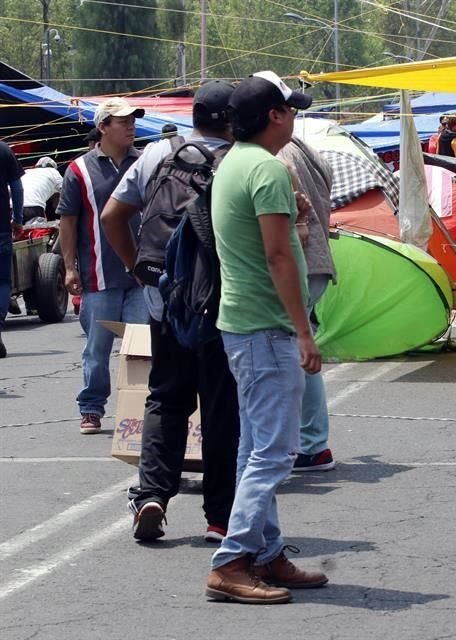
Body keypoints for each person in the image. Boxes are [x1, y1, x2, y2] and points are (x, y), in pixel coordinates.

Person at [100, 80, 240, 543]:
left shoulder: (160, 154)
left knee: (166, 394)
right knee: (222, 406)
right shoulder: (244, 161)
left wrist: (136, 268)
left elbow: (111, 217)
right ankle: (220, 518)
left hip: (166, 295)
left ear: (195, 116)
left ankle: (152, 495)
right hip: (222, 300)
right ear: (233, 119)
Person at [205, 71, 326, 605]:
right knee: (275, 452)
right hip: (266, 324)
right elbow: (279, 257)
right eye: (289, 110)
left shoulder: (234, 163)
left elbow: (270, 245)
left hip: (244, 322)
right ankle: (231, 560)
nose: (294, 117)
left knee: (256, 449)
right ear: (274, 116)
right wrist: (304, 331)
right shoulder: (267, 169)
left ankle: (266, 552)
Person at [57, 98, 149, 434]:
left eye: (132, 120)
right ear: (103, 127)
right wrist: (69, 267)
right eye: (122, 121)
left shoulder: (146, 162)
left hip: (142, 276)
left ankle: (141, 408)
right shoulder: (79, 170)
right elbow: (68, 222)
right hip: (99, 276)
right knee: (97, 350)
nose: (130, 126)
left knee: (143, 346)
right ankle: (92, 408)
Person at [278, 137, 338, 472]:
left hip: (300, 260)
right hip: (316, 258)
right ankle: (312, 443)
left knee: (295, 349)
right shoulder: (305, 149)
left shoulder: (279, 158)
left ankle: (310, 443)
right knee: (302, 347)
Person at [0, 141, 25, 359]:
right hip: (1, 228)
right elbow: (16, 187)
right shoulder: (3, 149)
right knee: (2, 282)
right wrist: (18, 218)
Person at [20, 157, 62, 222]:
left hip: (11, 208)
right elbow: (66, 193)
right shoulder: (53, 172)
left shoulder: (26, 172)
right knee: (37, 232)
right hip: (33, 207)